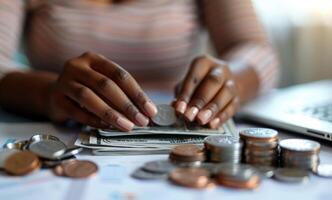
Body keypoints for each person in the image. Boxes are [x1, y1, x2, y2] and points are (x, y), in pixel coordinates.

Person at [0, 0, 278, 131]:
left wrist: (232, 79)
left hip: (183, 130)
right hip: (63, 130)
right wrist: (48, 93)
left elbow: (258, 50)